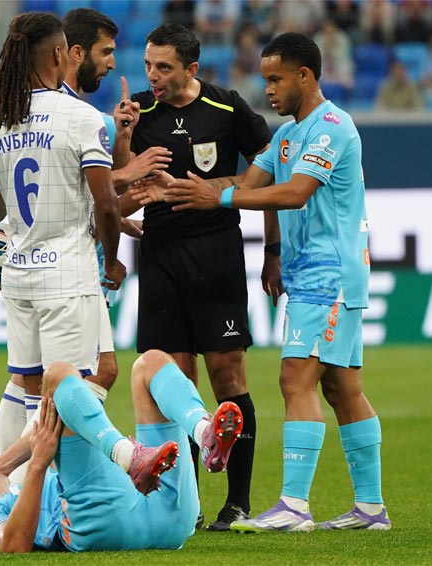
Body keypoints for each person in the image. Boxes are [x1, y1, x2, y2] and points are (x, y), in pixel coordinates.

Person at [136, 31, 390, 532]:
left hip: (329, 273)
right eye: (265, 79)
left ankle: (294, 506)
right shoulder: (288, 136)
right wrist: (178, 188)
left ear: (305, 76)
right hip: (312, 274)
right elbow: (243, 182)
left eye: (276, 79)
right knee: (342, 388)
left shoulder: (331, 127)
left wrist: (220, 199)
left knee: (295, 379)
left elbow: (294, 193)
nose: (268, 89)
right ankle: (370, 508)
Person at [0, 8, 172, 462]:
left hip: (53, 263)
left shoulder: (39, 112)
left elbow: (87, 199)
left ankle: (26, 473)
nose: (112, 63)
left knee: (80, 373)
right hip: (66, 268)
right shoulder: (74, 116)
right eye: (106, 52)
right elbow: (79, 195)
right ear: (73, 53)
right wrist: (130, 176)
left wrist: (122, 147)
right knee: (57, 380)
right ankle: (28, 475)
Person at [113, 23, 273, 531]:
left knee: (228, 375)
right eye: (148, 66)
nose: (153, 77)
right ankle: (190, 505)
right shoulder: (137, 112)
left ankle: (238, 503)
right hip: (160, 254)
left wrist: (217, 195)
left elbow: (269, 169)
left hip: (216, 252)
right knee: (174, 382)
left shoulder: (227, 107)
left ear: (192, 68)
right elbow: (115, 193)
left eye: (164, 67)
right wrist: (123, 139)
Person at [0, 12, 126, 459]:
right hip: (67, 274)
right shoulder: (81, 116)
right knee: (64, 396)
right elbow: (106, 204)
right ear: (59, 54)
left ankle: (18, 487)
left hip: (19, 276)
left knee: (34, 392)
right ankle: (48, 488)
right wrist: (110, 260)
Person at [0, 349, 244, 552]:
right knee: (57, 375)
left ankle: (202, 431)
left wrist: (2, 465)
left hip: (173, 522)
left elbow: (44, 430)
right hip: (103, 522)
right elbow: (12, 545)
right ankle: (128, 456)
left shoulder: (23, 490)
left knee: (151, 362)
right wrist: (38, 465)